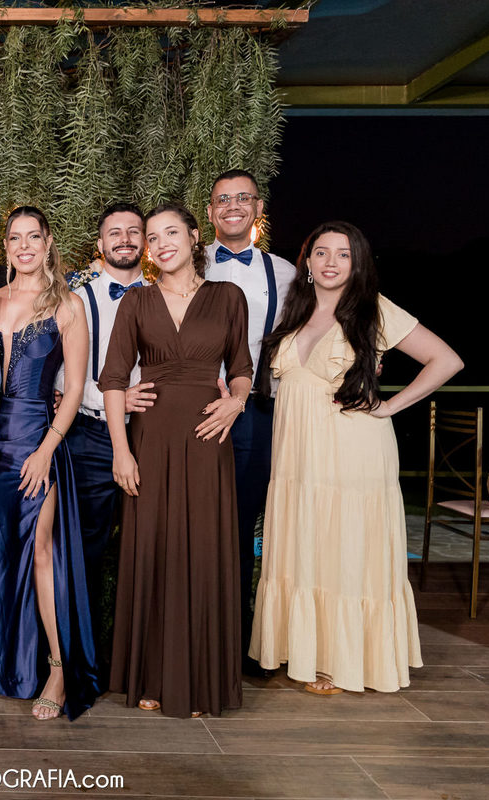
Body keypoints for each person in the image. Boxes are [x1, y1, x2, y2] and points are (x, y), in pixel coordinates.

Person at [249, 221, 462, 694]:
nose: (331, 262)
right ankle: (303, 649)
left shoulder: (373, 309)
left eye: (343, 254)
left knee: (344, 545)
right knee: (307, 542)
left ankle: (339, 661)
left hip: (352, 449)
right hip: (296, 455)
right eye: (321, 252)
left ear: (357, 263)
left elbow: (446, 360)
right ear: (307, 262)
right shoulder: (294, 311)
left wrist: (390, 406)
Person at [101, 203, 252, 718]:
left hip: (209, 437)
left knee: (205, 549)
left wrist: (237, 400)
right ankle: (151, 675)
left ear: (194, 237)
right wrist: (121, 450)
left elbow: (242, 367)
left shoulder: (228, 297)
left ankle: (203, 681)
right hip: (150, 439)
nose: (161, 243)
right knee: (154, 548)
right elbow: (114, 378)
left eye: (171, 233)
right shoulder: (137, 301)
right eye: (152, 237)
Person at [0, 206, 98, 721]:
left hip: (35, 442)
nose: (23, 246)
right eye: (15, 238)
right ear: (6, 247)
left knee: (41, 552)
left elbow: (75, 388)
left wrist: (46, 449)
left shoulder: (68, 305)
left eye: (33, 237)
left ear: (47, 243)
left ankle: (58, 670)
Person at [202, 169, 296, 677]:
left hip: (254, 413)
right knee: (189, 526)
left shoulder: (285, 274)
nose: (233, 206)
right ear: (210, 212)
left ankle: (237, 648)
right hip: (188, 411)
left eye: (243, 198)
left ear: (259, 209)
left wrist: (363, 358)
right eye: (223, 199)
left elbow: (318, 328)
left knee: (239, 530)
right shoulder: (185, 261)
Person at [58, 202, 150, 665]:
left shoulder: (167, 296)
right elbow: (60, 376)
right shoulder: (77, 298)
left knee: (149, 550)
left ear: (146, 242)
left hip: (151, 437)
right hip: (89, 437)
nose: (125, 239)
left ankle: (141, 659)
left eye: (134, 231)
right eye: (115, 232)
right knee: (85, 550)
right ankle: (84, 659)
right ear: (100, 244)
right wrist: (113, 398)